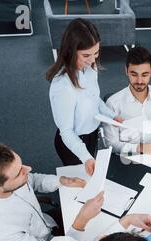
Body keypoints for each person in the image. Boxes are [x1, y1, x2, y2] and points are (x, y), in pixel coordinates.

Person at [46, 18, 123, 176]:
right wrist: (86, 157)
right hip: (72, 142)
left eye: (96, 53)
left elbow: (95, 100)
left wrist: (112, 116)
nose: (93, 59)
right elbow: (66, 132)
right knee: (79, 183)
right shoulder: (63, 87)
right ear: (70, 51)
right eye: (86, 55)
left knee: (90, 178)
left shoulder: (90, 69)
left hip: (91, 134)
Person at [103, 47, 151, 157]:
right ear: (126, 71)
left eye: (145, 74)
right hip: (128, 156)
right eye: (134, 74)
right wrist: (142, 148)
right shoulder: (113, 103)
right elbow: (111, 143)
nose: (139, 81)